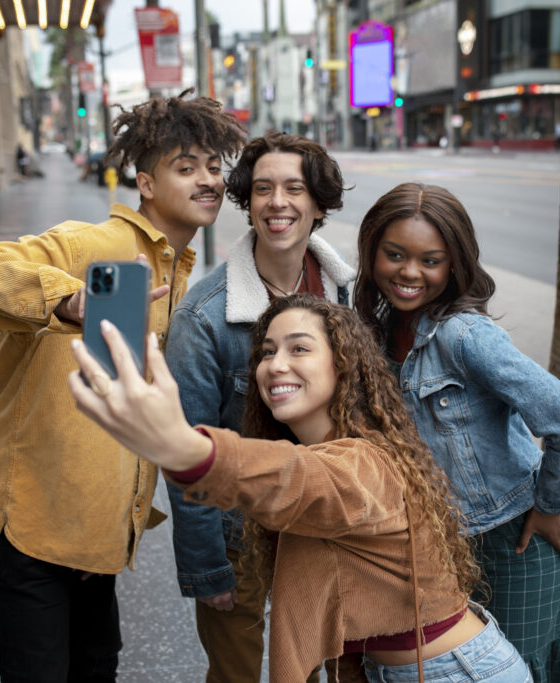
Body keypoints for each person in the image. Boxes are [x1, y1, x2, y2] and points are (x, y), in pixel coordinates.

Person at [0, 91, 246, 682]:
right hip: (28, 524)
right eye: (186, 168)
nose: (207, 180)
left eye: (213, 167)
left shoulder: (176, 274)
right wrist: (68, 298)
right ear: (146, 182)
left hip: (92, 533)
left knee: (97, 666)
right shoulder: (93, 246)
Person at [69, 295, 532, 683]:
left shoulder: (365, 461)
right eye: (267, 352)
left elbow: (298, 478)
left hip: (457, 672)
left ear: (343, 365)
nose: (276, 365)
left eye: (299, 348)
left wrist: (186, 448)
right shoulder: (331, 449)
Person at [352, 182, 560, 682]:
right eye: (395, 254)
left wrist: (552, 504)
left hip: (518, 535)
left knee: (515, 669)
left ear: (455, 265)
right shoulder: (378, 332)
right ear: (372, 252)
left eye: (431, 260)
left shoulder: (464, 336)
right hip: (447, 543)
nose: (409, 272)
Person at [163, 132, 356, 683]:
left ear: (318, 203)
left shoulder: (350, 296)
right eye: (264, 188)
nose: (278, 203)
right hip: (239, 533)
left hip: (328, 520)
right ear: (246, 200)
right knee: (238, 675)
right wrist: (206, 568)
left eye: (295, 188)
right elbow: (187, 455)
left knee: (325, 669)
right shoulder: (203, 319)